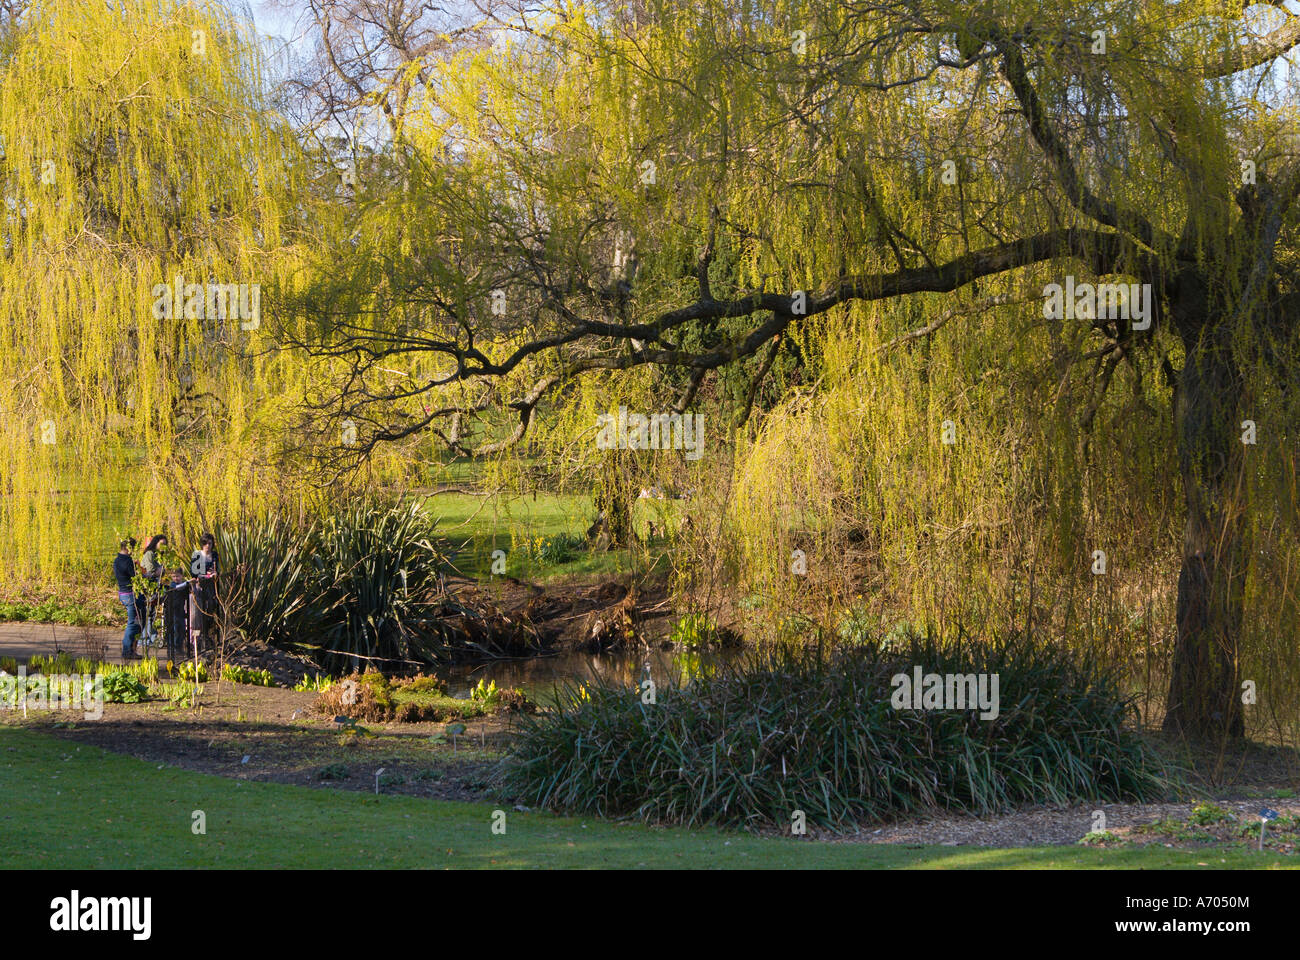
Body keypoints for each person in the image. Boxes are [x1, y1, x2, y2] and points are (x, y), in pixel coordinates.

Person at [189, 533, 220, 651]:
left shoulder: (214, 555)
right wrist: (202, 575)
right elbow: (194, 572)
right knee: (198, 612)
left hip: (211, 586)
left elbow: (217, 569)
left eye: (210, 543)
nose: (208, 546)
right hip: (200, 586)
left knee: (211, 608)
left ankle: (208, 634)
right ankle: (199, 637)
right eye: (205, 543)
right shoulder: (197, 555)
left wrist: (214, 574)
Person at [113, 538, 140, 659]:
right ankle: (127, 650)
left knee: (133, 622)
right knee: (132, 623)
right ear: (129, 548)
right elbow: (135, 576)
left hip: (122, 593)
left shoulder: (117, 560)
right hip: (130, 594)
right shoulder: (128, 561)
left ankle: (130, 649)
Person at [139, 534, 168, 649]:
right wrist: (160, 571)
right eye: (161, 544)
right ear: (155, 543)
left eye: (165, 545)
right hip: (148, 587)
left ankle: (149, 637)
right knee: (149, 613)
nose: (163, 547)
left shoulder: (159, 556)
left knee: (152, 613)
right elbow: (150, 571)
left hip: (156, 586)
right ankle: (147, 638)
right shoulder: (150, 554)